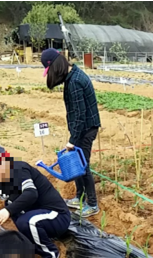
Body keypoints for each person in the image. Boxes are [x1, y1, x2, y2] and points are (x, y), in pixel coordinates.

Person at [0, 145, 71, 258]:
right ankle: (34, 241)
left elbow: (31, 193)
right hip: (41, 215)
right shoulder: (1, 176)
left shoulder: (18, 168)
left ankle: (50, 253)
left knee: (25, 220)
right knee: (10, 204)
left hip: (57, 216)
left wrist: (7, 211)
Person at [41, 48, 101, 218]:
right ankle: (79, 197)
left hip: (86, 128)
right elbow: (77, 113)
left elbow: (81, 115)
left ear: (55, 66)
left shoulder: (74, 82)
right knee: (77, 164)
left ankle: (92, 204)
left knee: (83, 166)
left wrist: (73, 140)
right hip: (82, 127)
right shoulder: (72, 76)